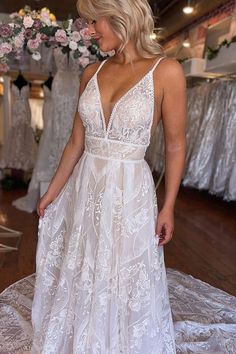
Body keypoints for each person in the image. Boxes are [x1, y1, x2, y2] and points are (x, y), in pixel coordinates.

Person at [30, 0, 186, 352]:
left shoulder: (167, 72)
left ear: (119, 16)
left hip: (129, 188)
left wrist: (169, 206)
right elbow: (75, 142)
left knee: (124, 267)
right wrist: (52, 192)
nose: (89, 30)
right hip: (87, 185)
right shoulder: (91, 72)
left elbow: (175, 146)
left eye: (93, 21)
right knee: (87, 260)